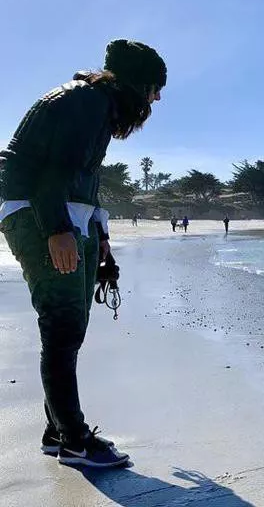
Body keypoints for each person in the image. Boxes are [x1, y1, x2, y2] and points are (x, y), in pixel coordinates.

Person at [0, 39, 166, 467]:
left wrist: (100, 232)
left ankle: (58, 428)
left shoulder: (96, 104)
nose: (156, 98)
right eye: (153, 87)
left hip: (67, 215)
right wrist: (57, 229)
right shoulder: (87, 101)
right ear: (135, 82)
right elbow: (51, 171)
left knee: (69, 327)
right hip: (41, 215)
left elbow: (79, 175)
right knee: (62, 324)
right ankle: (74, 439)